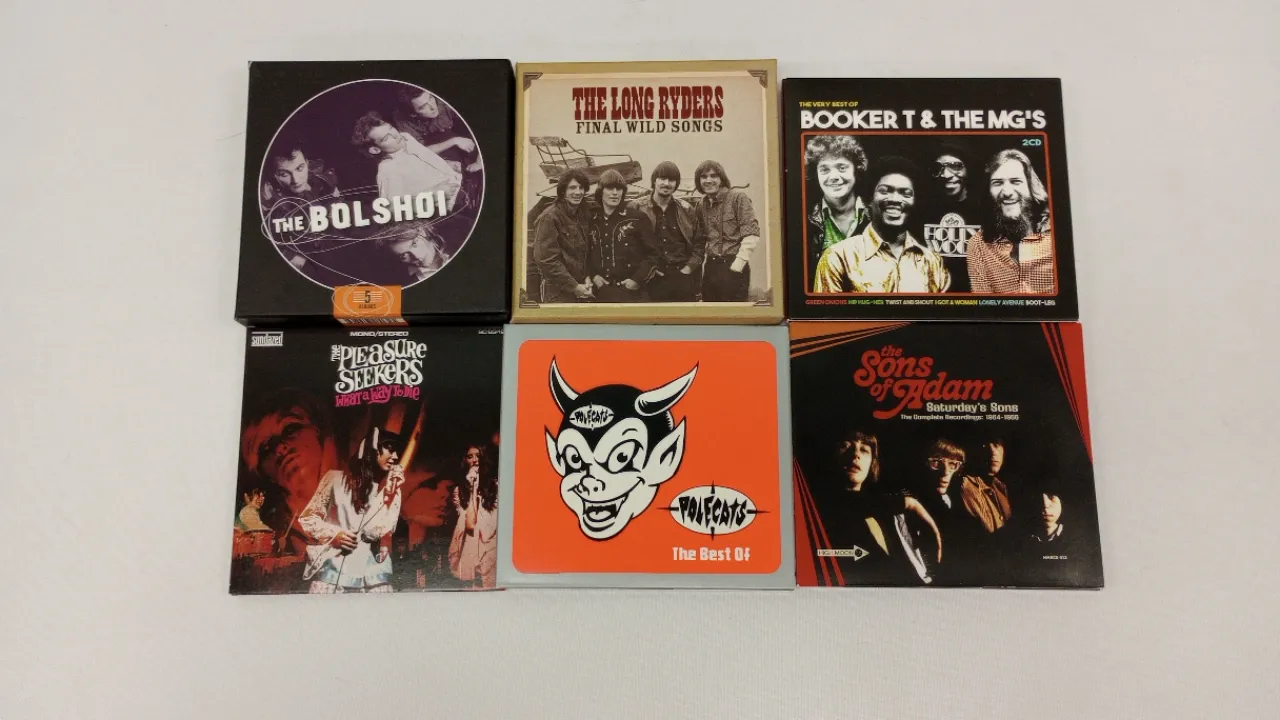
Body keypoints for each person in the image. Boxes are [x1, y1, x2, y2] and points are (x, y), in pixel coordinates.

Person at [813, 156, 950, 293]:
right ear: (869, 199)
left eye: (906, 193)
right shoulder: (838, 257)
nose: (895, 199)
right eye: (885, 191)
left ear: (914, 203)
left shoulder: (932, 262)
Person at [298, 427, 405, 594]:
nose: (396, 456)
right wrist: (336, 535)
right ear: (373, 448)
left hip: (374, 579)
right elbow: (308, 519)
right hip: (335, 576)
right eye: (390, 449)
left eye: (398, 452)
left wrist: (389, 495)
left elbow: (371, 533)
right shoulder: (335, 479)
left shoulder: (390, 490)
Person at [826, 431, 941, 585]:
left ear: (872, 463)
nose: (856, 455)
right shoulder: (825, 506)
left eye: (864, 450)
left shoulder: (882, 511)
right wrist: (910, 503)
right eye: (846, 446)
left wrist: (912, 504)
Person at [239, 388, 340, 554]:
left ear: (320, 430)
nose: (279, 448)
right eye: (266, 449)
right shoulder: (274, 535)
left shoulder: (368, 493)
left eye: (290, 430)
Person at [966, 149, 1055, 294]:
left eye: (1015, 181)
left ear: (1030, 186)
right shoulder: (978, 245)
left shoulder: (1057, 236)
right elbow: (984, 305)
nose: (1007, 192)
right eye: (997, 183)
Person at [351, 111, 462, 208]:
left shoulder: (405, 137)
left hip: (458, 182)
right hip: (449, 205)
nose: (395, 135)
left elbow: (424, 157)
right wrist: (433, 194)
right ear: (375, 149)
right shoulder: (387, 170)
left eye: (391, 128)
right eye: (386, 138)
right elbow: (391, 209)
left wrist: (444, 164)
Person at [804, 135, 871, 287]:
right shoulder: (804, 221)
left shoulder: (876, 216)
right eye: (824, 169)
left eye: (842, 167)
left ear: (856, 170)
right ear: (816, 174)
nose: (833, 177)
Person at [629, 161, 702, 302]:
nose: (666, 184)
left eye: (671, 180)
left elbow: (699, 243)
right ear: (654, 181)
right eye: (662, 178)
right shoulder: (636, 207)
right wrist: (645, 271)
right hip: (650, 279)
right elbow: (628, 244)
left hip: (682, 276)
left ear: (676, 184)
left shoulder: (686, 209)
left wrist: (688, 269)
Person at [693, 160, 760, 302]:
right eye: (704, 177)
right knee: (711, 312)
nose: (708, 180)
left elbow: (751, 233)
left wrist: (738, 264)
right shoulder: (701, 205)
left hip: (734, 264)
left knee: (735, 312)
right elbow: (700, 239)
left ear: (721, 179)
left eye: (713, 176)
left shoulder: (738, 198)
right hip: (711, 267)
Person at [587, 169, 656, 302]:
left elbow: (654, 254)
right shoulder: (592, 220)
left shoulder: (637, 218)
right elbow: (585, 254)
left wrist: (636, 280)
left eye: (619, 189)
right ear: (601, 191)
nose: (615, 193)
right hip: (600, 293)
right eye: (610, 188)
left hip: (631, 293)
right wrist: (594, 276)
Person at [921, 142, 981, 292]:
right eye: (938, 168)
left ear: (968, 170)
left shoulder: (984, 209)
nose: (946, 175)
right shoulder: (922, 210)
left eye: (955, 166)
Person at [533, 169, 595, 303]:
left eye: (581, 188)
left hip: (582, 288)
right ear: (562, 191)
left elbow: (584, 253)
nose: (578, 192)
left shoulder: (582, 215)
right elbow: (546, 260)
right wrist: (574, 286)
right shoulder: (549, 217)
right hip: (558, 293)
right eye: (572, 188)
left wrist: (587, 277)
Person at [393, 87, 482, 173]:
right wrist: (454, 141)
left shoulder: (443, 103)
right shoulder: (403, 120)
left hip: (460, 133)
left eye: (430, 98)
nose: (433, 107)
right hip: (434, 148)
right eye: (423, 106)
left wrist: (480, 160)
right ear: (413, 114)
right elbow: (417, 153)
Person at [449, 444, 498, 588]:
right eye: (470, 457)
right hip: (469, 547)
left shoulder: (495, 487)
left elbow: (489, 528)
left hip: (489, 545)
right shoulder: (460, 491)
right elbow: (470, 525)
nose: (475, 460)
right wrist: (473, 489)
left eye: (478, 456)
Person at [378, 220, 450, 283]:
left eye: (414, 244)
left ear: (422, 232)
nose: (416, 256)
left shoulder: (453, 246)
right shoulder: (405, 282)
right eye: (403, 256)